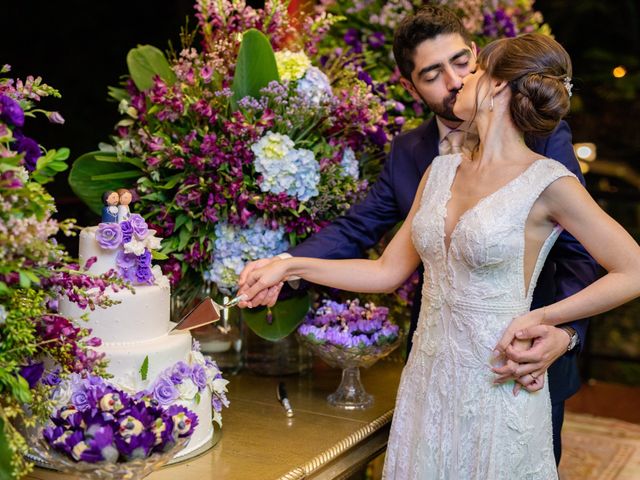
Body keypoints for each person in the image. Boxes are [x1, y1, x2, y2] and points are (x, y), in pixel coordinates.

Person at [238, 33, 640, 478]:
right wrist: (290, 264)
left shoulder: (549, 182)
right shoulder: (439, 170)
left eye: (475, 68)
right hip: (427, 383)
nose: (462, 78)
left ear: (499, 86)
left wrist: (546, 319)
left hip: (498, 381)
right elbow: (387, 270)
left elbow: (632, 269)